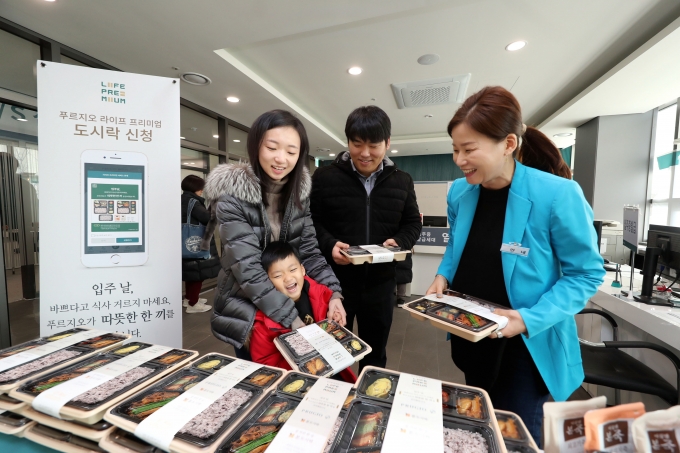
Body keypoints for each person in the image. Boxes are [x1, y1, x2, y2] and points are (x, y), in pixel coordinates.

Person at [425, 86, 605, 445]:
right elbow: (458, 245)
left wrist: (526, 319)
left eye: (469, 149)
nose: (460, 159)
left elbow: (586, 274)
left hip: (526, 346)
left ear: (508, 144)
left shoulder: (557, 194)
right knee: (476, 425)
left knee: (515, 435)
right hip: (473, 332)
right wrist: (443, 274)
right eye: (455, 149)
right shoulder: (460, 193)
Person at [201, 110, 346, 360]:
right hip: (248, 311)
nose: (281, 159)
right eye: (272, 147)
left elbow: (309, 253)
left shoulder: (298, 196)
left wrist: (334, 293)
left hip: (291, 305)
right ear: (256, 145)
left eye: (291, 152)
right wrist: (292, 320)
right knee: (262, 385)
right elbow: (248, 269)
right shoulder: (232, 198)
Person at [310, 105, 422, 370]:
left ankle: (370, 405)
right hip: (335, 283)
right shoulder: (325, 177)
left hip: (381, 284)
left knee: (375, 352)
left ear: (387, 143)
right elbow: (312, 222)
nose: (365, 153)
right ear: (347, 141)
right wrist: (329, 244)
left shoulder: (402, 180)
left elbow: (412, 223)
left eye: (373, 145)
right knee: (330, 353)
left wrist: (402, 241)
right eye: (357, 144)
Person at [247, 241, 356, 382]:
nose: (288, 278)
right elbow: (265, 364)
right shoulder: (265, 322)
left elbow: (332, 329)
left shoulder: (322, 295)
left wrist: (335, 322)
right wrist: (301, 365)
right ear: (267, 281)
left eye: (293, 270)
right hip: (298, 382)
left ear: (303, 270)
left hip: (333, 372)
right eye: (278, 275)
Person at [181, 175, 220, 313]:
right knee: (197, 274)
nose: (201, 190)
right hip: (195, 242)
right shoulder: (193, 201)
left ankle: (189, 298)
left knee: (191, 272)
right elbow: (207, 218)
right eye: (200, 188)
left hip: (185, 242)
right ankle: (193, 304)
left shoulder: (183, 199)